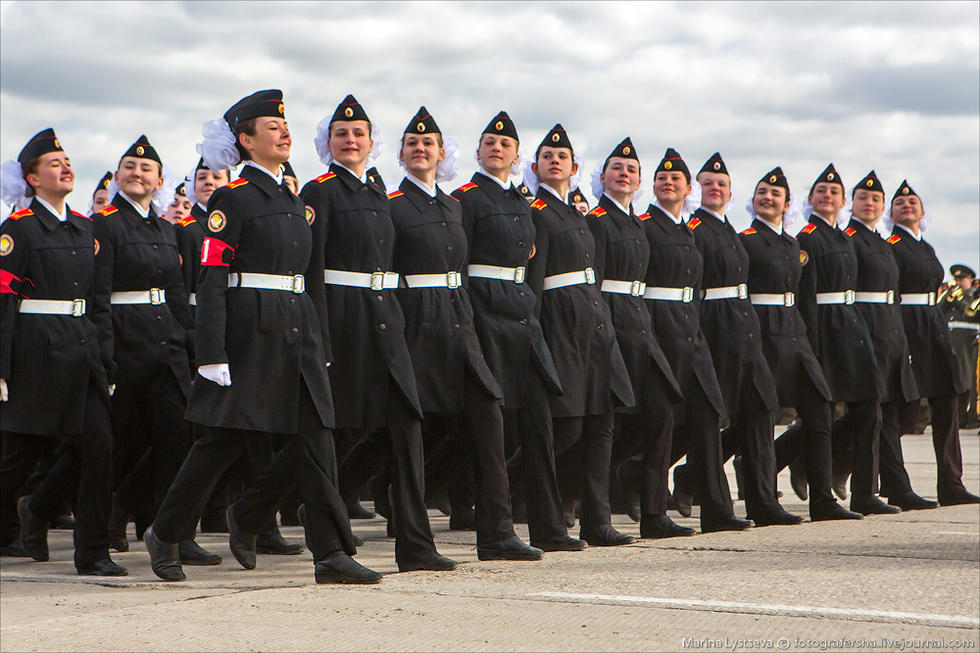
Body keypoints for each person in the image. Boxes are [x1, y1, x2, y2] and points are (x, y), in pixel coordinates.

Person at [145, 89, 378, 584]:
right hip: (251, 329)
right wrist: (211, 352)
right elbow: (212, 279)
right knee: (223, 441)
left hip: (299, 329)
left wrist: (322, 345)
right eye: (271, 127)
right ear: (246, 141)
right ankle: (165, 532)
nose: (283, 132)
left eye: (284, 125)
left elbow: (308, 278)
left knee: (317, 440)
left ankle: (330, 553)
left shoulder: (293, 200)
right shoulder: (233, 198)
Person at [302, 94, 456, 572]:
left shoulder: (377, 192)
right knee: (326, 433)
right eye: (341, 134)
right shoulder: (319, 192)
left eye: (359, 134)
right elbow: (311, 271)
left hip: (386, 319)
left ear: (372, 143)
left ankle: (415, 543)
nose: (351, 140)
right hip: (342, 321)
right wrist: (320, 337)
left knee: (407, 426)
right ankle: (254, 513)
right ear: (327, 143)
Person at [388, 106, 541, 560]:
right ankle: (413, 541)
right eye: (412, 144)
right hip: (415, 320)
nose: (420, 149)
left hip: (460, 318)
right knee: (411, 430)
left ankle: (496, 533)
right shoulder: (392, 207)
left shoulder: (453, 206)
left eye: (428, 143)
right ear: (400, 154)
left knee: (488, 415)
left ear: (441, 153)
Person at [452, 111, 582, 552]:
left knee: (540, 427)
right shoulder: (465, 198)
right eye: (489, 142)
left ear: (516, 155)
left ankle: (549, 528)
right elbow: (459, 268)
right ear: (478, 152)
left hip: (524, 317)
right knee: (492, 432)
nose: (496, 148)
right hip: (485, 314)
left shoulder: (523, 203)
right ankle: (497, 533)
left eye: (504, 145)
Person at [0, 128, 125, 575]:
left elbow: (100, 301)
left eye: (67, 161)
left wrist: (106, 360)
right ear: (32, 179)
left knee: (99, 445)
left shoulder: (87, 229)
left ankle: (92, 552)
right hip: (35, 349)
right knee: (20, 455)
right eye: (53, 163)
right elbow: (3, 300)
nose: (65, 167)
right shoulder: (18, 230)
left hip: (82, 347)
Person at [92, 135, 220, 562]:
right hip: (126, 345)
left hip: (165, 346)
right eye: (129, 167)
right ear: (118, 176)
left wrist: (188, 347)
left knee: (176, 441)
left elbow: (177, 293)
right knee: (123, 443)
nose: (137, 174)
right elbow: (100, 295)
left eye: (146, 169)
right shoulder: (106, 224)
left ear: (160, 180)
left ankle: (175, 533)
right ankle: (112, 519)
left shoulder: (166, 229)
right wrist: (106, 355)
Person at [525, 123, 635, 547]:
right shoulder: (535, 212)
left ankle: (597, 520)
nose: (555, 161)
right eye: (548, 157)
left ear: (574, 168)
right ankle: (526, 504)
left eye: (563, 157)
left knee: (601, 426)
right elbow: (535, 281)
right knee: (566, 430)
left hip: (595, 327)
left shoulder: (578, 214)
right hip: (560, 326)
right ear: (535, 167)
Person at [737, 166, 861, 521]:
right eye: (762, 192)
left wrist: (811, 343)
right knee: (760, 418)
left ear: (787, 203)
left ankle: (822, 500)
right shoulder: (746, 240)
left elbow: (804, 297)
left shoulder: (792, 244)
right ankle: (762, 502)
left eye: (775, 195)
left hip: (795, 333)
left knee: (820, 410)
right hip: (761, 331)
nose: (767, 198)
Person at [640, 148, 750, 533]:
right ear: (652, 187)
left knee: (707, 417)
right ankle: (654, 514)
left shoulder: (687, 230)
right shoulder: (645, 226)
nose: (667, 183)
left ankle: (718, 511)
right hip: (659, 328)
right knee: (662, 422)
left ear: (688, 189)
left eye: (675, 180)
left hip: (691, 328)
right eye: (661, 179)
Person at [687, 153, 801, 526]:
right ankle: (707, 502)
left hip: (744, 326)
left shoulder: (728, 230)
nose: (714, 189)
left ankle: (762, 501)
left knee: (760, 411)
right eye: (707, 184)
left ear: (731, 193)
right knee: (704, 419)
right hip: (713, 326)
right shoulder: (693, 228)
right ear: (696, 190)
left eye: (721, 185)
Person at [586, 138, 688, 538]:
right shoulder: (598, 221)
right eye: (616, 169)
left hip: (640, 323)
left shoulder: (636, 223)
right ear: (602, 177)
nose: (623, 174)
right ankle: (591, 509)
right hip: (611, 322)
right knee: (607, 421)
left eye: (630, 171)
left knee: (661, 413)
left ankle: (653, 513)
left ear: (638, 181)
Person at [831, 171, 935, 510]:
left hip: (889, 330)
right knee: (873, 415)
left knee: (892, 413)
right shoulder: (849, 238)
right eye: (863, 198)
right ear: (851, 203)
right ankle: (868, 489)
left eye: (876, 199)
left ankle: (894, 486)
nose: (870, 203)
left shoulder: (880, 241)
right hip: (865, 331)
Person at [794, 164, 891, 515]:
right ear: (810, 199)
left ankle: (864, 492)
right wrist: (811, 345)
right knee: (819, 416)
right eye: (821, 191)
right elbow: (807, 296)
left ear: (843, 200)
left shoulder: (844, 238)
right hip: (824, 327)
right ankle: (822, 496)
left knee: (869, 409)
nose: (827, 197)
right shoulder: (807, 237)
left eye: (834, 192)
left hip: (851, 326)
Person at [888, 180, 980, 505]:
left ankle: (951, 484)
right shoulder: (892, 244)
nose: (907, 206)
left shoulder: (925, 246)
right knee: (906, 410)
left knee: (948, 400)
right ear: (891, 213)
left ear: (923, 212)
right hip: (906, 324)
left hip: (932, 324)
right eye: (899, 203)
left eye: (913, 202)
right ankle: (860, 467)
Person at [940, 264, 979, 429]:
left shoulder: (973, 296)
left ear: (970, 279)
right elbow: (938, 312)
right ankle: (957, 416)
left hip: (967, 342)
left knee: (967, 379)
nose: (958, 282)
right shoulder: (951, 296)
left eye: (962, 279)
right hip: (950, 340)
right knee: (951, 379)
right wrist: (948, 299)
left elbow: (971, 314)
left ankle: (969, 415)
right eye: (956, 279)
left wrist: (960, 299)